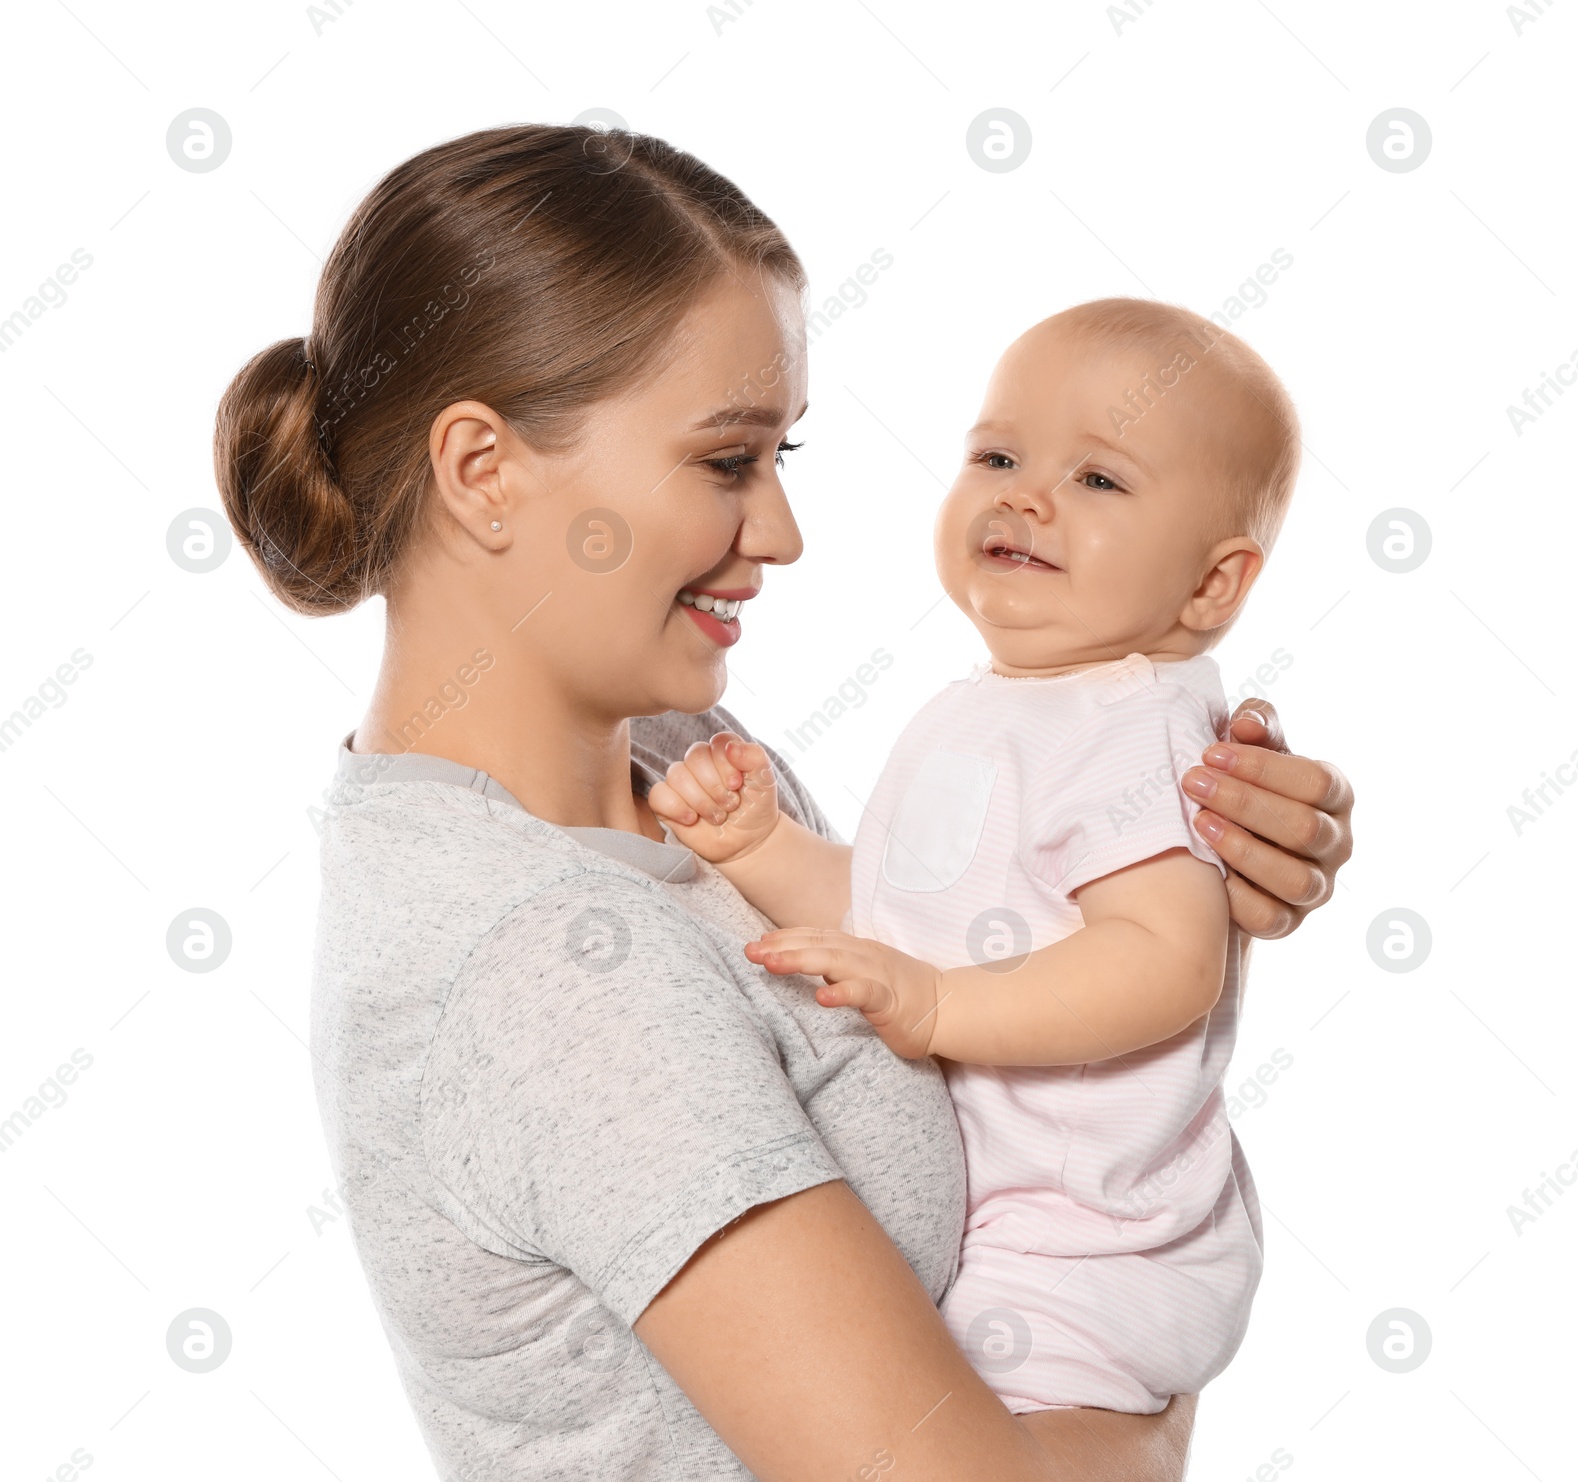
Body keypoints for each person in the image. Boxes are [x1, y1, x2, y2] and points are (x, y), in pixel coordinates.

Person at [213, 123, 1354, 1480]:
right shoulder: (557, 971)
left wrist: (1175, 839)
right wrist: (1145, 1369)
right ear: (483, 471)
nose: (781, 534)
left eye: (783, 458)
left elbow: (945, 926)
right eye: (723, 461)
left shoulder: (667, 751)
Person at [644, 297, 1304, 1416]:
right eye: (998, 454)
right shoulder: (999, 707)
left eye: (1099, 479)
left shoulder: (1133, 725)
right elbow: (904, 916)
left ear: (1211, 584)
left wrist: (940, 1007)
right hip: (1009, 1225)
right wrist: (763, 847)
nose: (1024, 493)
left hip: (1088, 1247)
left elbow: (1163, 961)